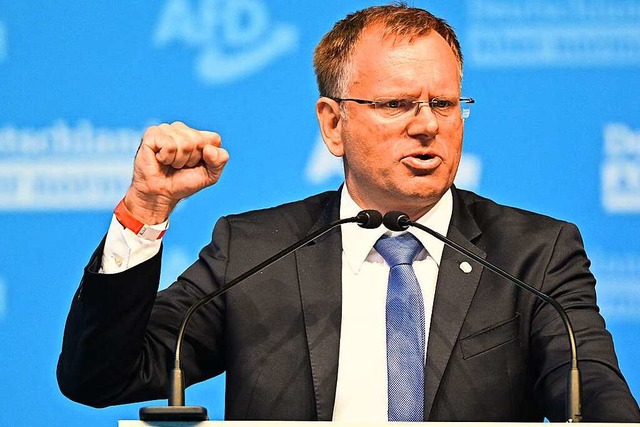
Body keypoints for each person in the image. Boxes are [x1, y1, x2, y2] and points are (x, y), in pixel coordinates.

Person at [57, 4, 640, 422]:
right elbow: (102, 376)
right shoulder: (256, 249)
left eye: (443, 102)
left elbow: (593, 394)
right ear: (333, 124)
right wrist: (145, 208)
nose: (427, 125)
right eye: (396, 104)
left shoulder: (534, 253)